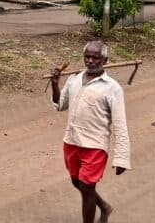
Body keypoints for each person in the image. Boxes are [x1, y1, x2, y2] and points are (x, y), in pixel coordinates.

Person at [50, 40, 130, 223]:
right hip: (71, 141)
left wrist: (121, 158)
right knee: (77, 182)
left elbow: (120, 124)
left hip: (95, 145)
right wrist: (55, 84)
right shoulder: (74, 79)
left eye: (96, 57)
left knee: (87, 186)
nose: (91, 61)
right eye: (88, 57)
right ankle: (104, 207)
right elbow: (60, 105)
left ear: (105, 60)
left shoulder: (112, 88)